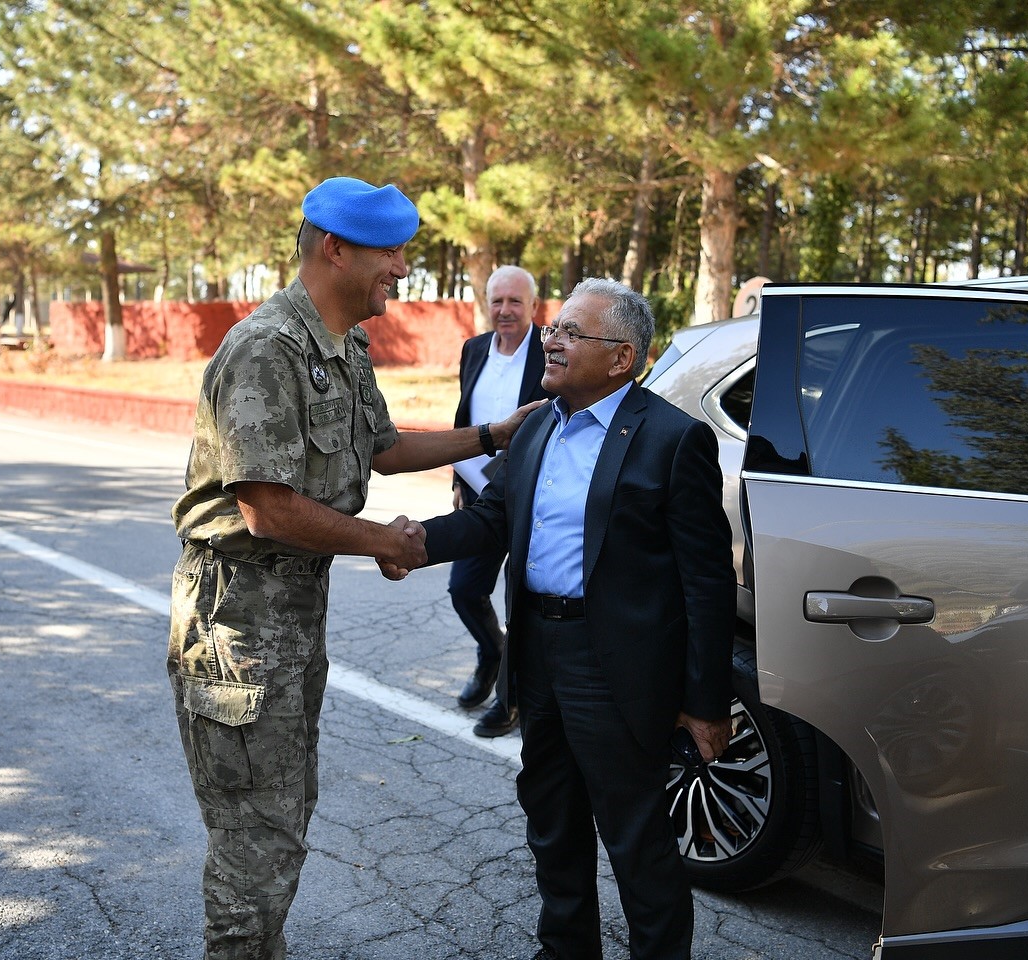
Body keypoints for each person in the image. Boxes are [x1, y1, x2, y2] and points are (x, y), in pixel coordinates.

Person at [167, 176, 543, 960]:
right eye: (391, 251)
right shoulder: (268, 348)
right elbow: (265, 508)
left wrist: (495, 435)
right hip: (238, 621)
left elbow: (385, 445)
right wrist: (385, 541)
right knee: (254, 846)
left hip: (291, 616)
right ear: (335, 248)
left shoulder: (340, 344)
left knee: (285, 816)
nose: (402, 269)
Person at [384, 278, 737, 960]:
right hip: (537, 651)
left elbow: (707, 582)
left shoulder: (672, 440)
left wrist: (705, 701)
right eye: (556, 327)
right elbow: (493, 519)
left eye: (573, 332)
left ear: (621, 357)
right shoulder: (538, 423)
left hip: (616, 664)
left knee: (636, 836)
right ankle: (566, 948)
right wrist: (414, 543)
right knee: (551, 817)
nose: (551, 338)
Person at [448, 264, 552, 737]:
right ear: (486, 304)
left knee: (521, 601)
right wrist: (457, 479)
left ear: (533, 306)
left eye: (515, 301)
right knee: (465, 589)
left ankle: (509, 700)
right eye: (497, 301)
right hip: (479, 495)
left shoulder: (550, 351)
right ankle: (492, 654)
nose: (505, 311)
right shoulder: (473, 349)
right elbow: (464, 417)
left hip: (534, 495)